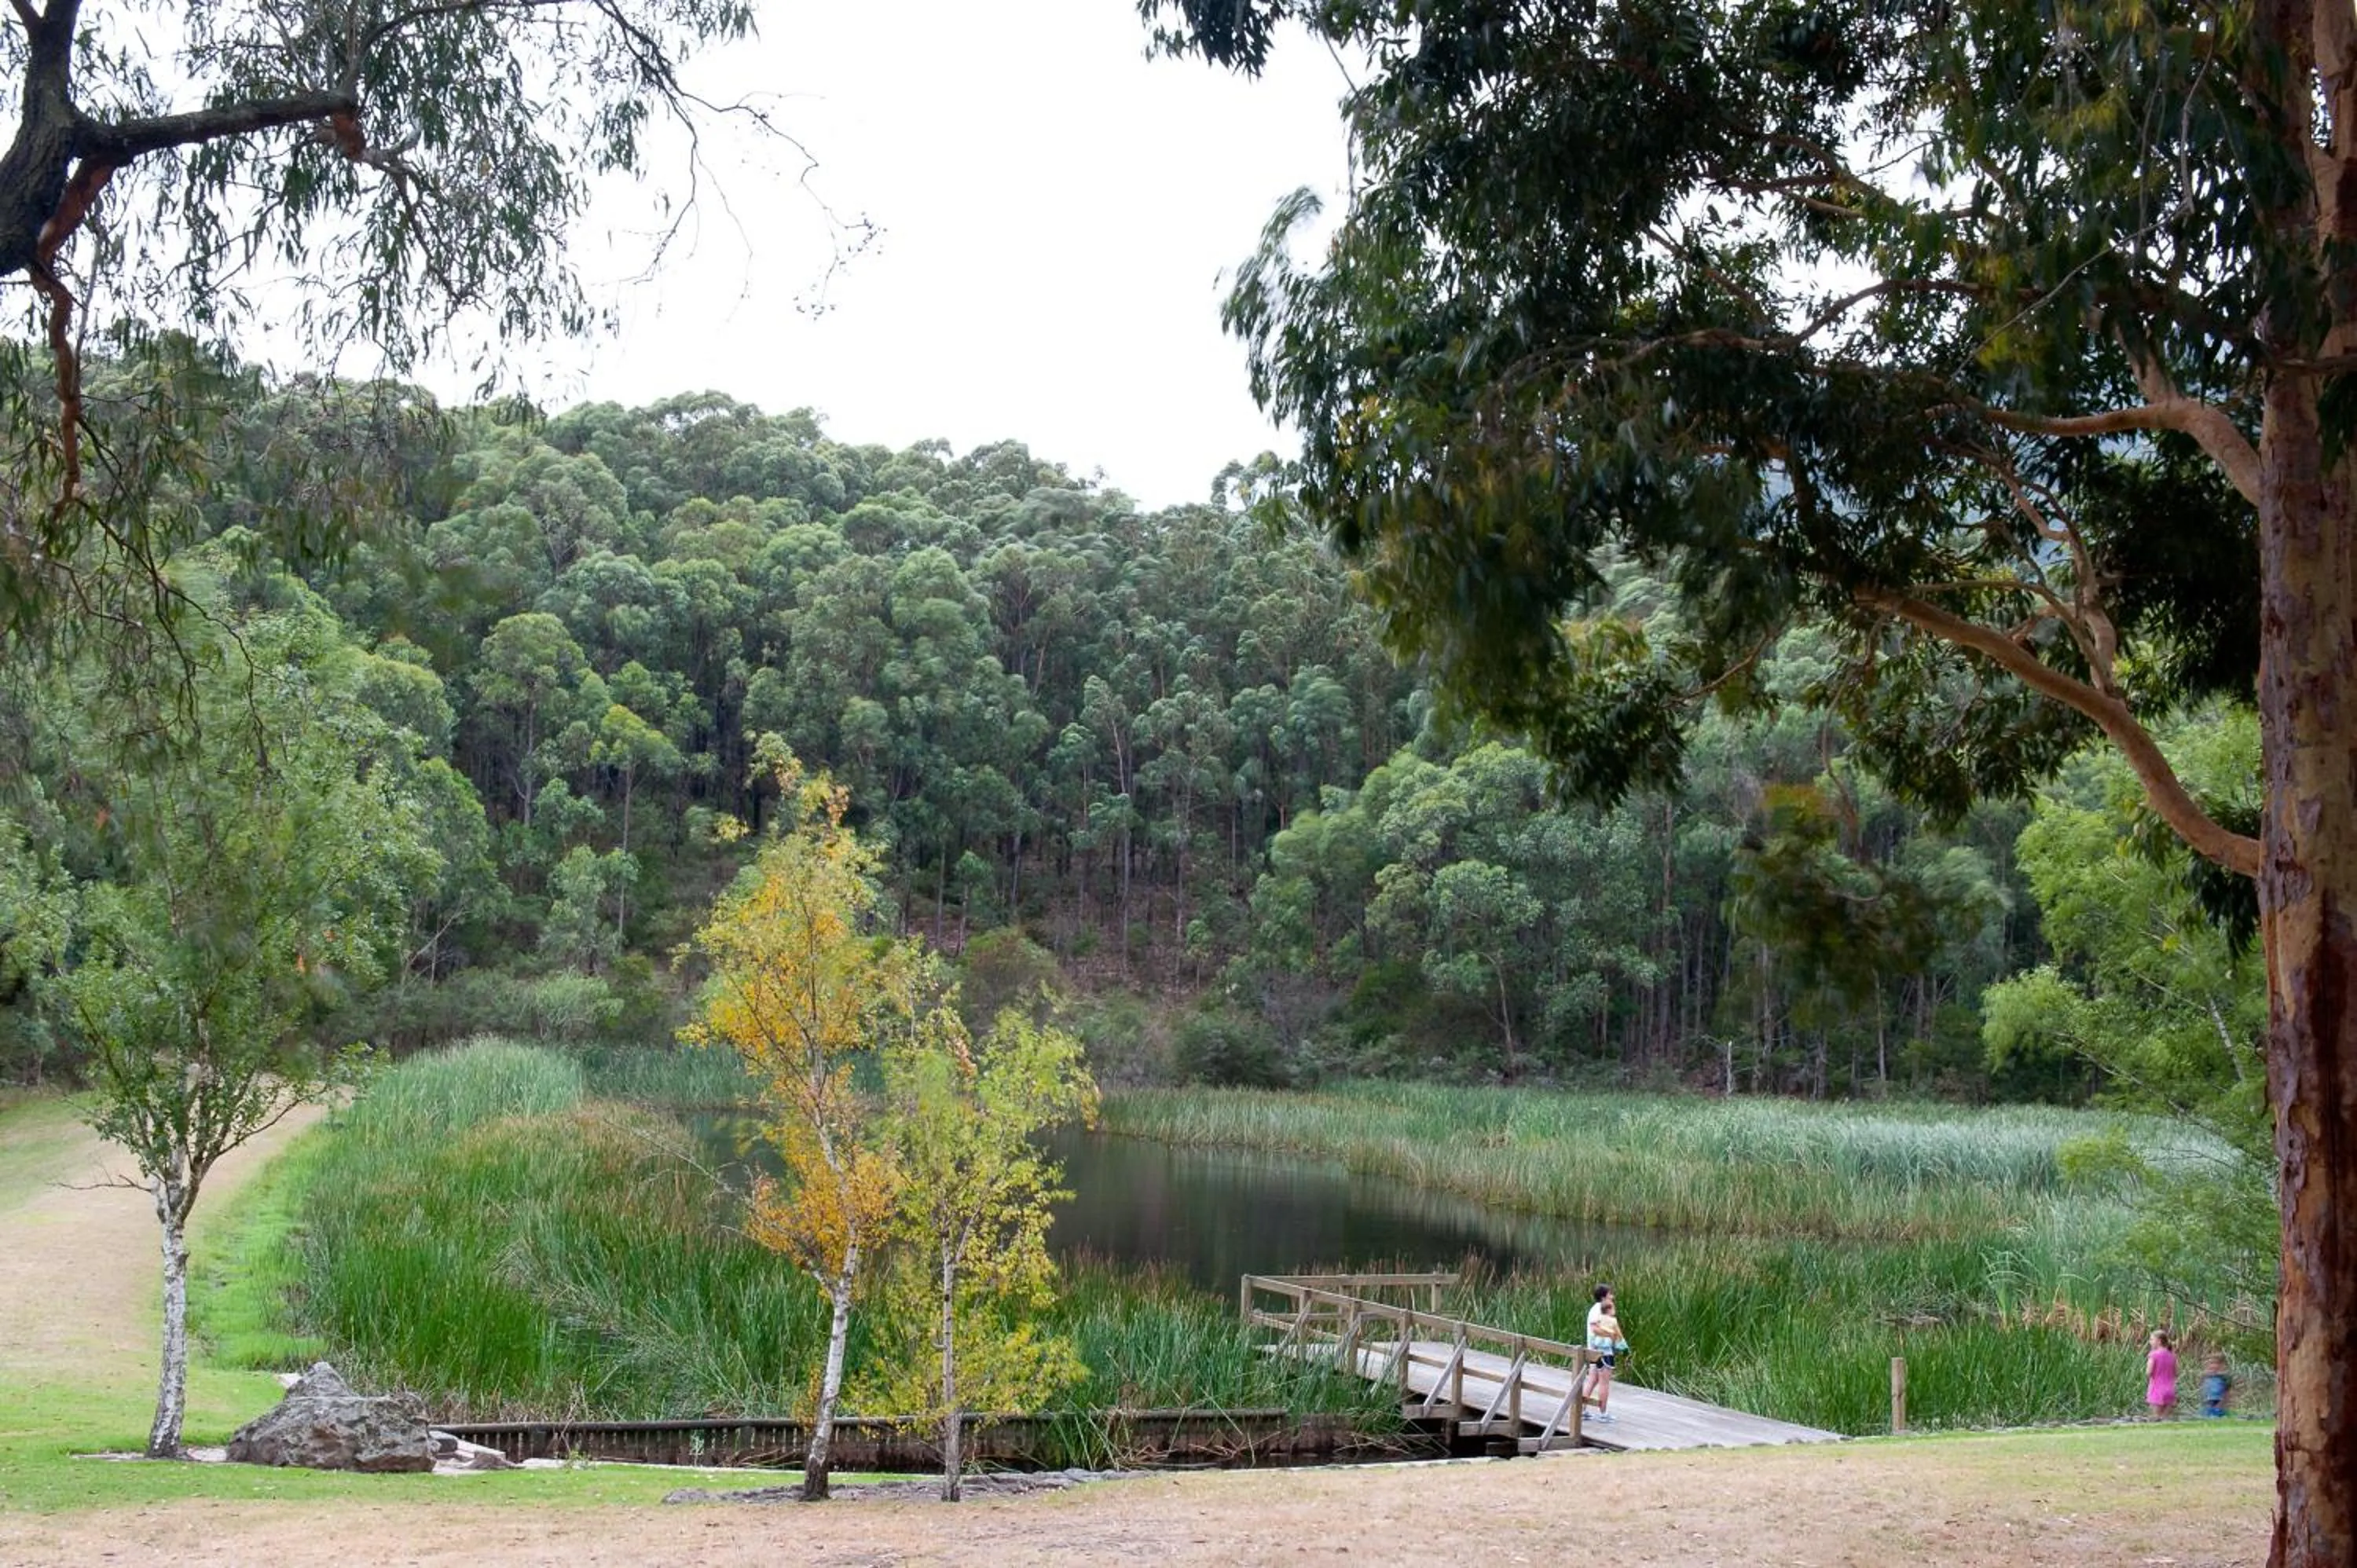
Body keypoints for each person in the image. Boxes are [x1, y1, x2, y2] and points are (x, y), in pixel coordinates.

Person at [1582, 1283, 1629, 1425]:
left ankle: (1582, 1410)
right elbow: (1595, 1329)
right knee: (1604, 1383)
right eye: (1610, 1294)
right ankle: (1603, 1414)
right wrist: (1613, 1334)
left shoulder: (1596, 1309)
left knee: (1593, 1380)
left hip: (1594, 1351)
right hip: (1601, 1352)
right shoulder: (1598, 1310)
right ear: (1604, 1296)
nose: (1613, 1297)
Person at [2146, 1331, 2178, 1420]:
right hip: (2170, 1390)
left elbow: (2149, 1372)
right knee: (2165, 1419)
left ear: (2159, 1341)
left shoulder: (2153, 1355)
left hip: (2157, 1390)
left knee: (2156, 1418)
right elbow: (2176, 1373)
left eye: (2152, 1339)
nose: (2150, 1342)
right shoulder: (2172, 1356)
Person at [2201, 1354, 2231, 1419]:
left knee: (2218, 1412)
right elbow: (2203, 1386)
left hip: (2219, 1399)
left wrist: (2224, 1402)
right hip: (2209, 1398)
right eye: (2210, 1363)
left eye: (2215, 1363)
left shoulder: (2224, 1376)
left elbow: (2227, 1391)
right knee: (2207, 1412)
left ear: (2221, 1365)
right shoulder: (2206, 1375)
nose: (2212, 1366)